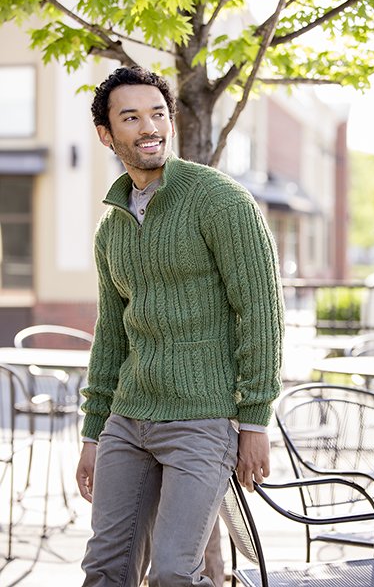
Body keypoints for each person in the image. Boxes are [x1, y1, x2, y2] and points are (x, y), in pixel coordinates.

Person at [76, 66, 284, 587]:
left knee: (173, 572)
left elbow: (261, 313)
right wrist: (93, 432)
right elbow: (111, 335)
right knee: (105, 568)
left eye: (158, 114)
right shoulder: (111, 226)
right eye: (131, 118)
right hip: (128, 419)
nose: (149, 127)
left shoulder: (219, 200)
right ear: (106, 134)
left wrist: (255, 420)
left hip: (202, 419)